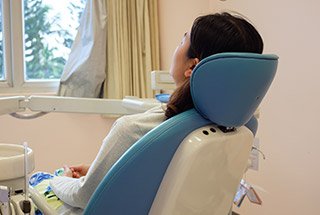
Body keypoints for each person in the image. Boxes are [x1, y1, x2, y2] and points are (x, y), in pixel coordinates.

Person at [47, 12, 264, 211]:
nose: (176, 47)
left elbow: (84, 195)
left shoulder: (133, 130)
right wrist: (106, 171)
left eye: (182, 40)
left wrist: (59, 179)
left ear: (192, 66)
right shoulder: (240, 128)